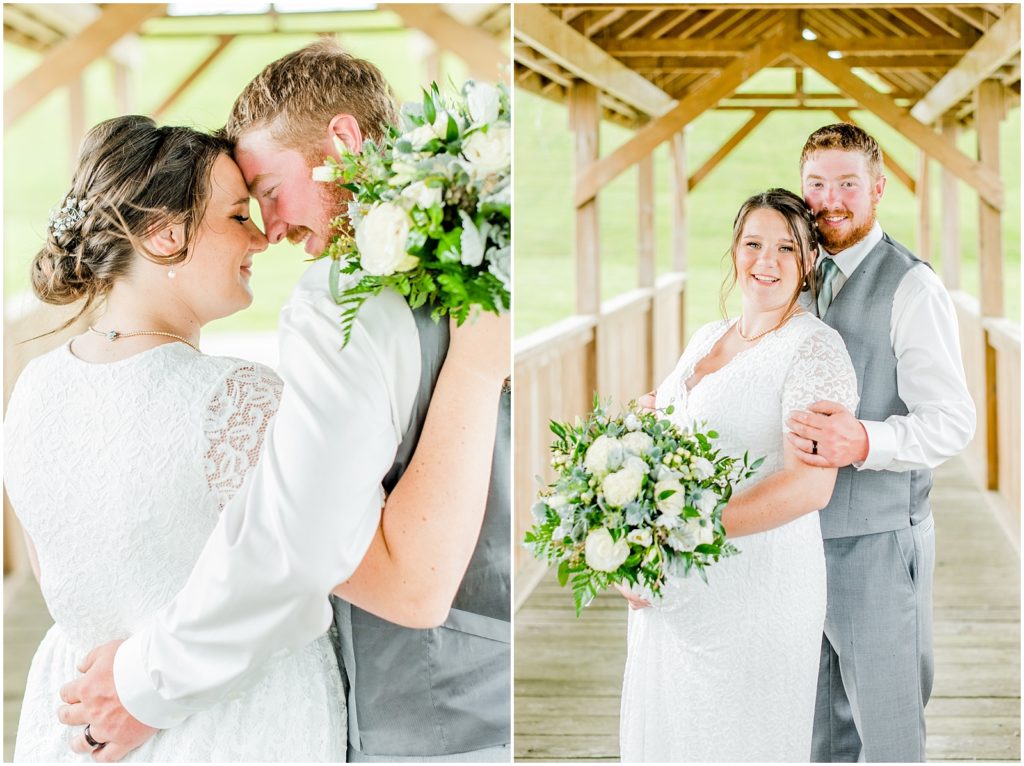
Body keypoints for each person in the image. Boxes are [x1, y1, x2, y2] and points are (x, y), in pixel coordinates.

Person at [55, 41, 511, 763]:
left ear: (343, 141)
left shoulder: (338, 303)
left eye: (267, 192)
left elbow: (297, 545)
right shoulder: (486, 259)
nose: (269, 231)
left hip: (425, 720)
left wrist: (144, 682)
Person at [618, 188, 859, 762]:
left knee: (737, 739)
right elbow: (667, 421)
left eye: (786, 249)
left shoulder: (815, 350)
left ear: (808, 266)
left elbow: (811, 484)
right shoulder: (708, 335)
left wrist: (677, 536)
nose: (765, 261)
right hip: (678, 592)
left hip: (756, 587)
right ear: (734, 250)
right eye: (753, 243)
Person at [786, 123, 975, 763]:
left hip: (878, 542)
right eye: (817, 184)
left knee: (889, 733)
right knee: (818, 733)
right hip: (794, 541)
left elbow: (952, 420)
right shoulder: (791, 274)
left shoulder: (912, 287)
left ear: (878, 189)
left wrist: (864, 438)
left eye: (847, 184)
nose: (830, 199)